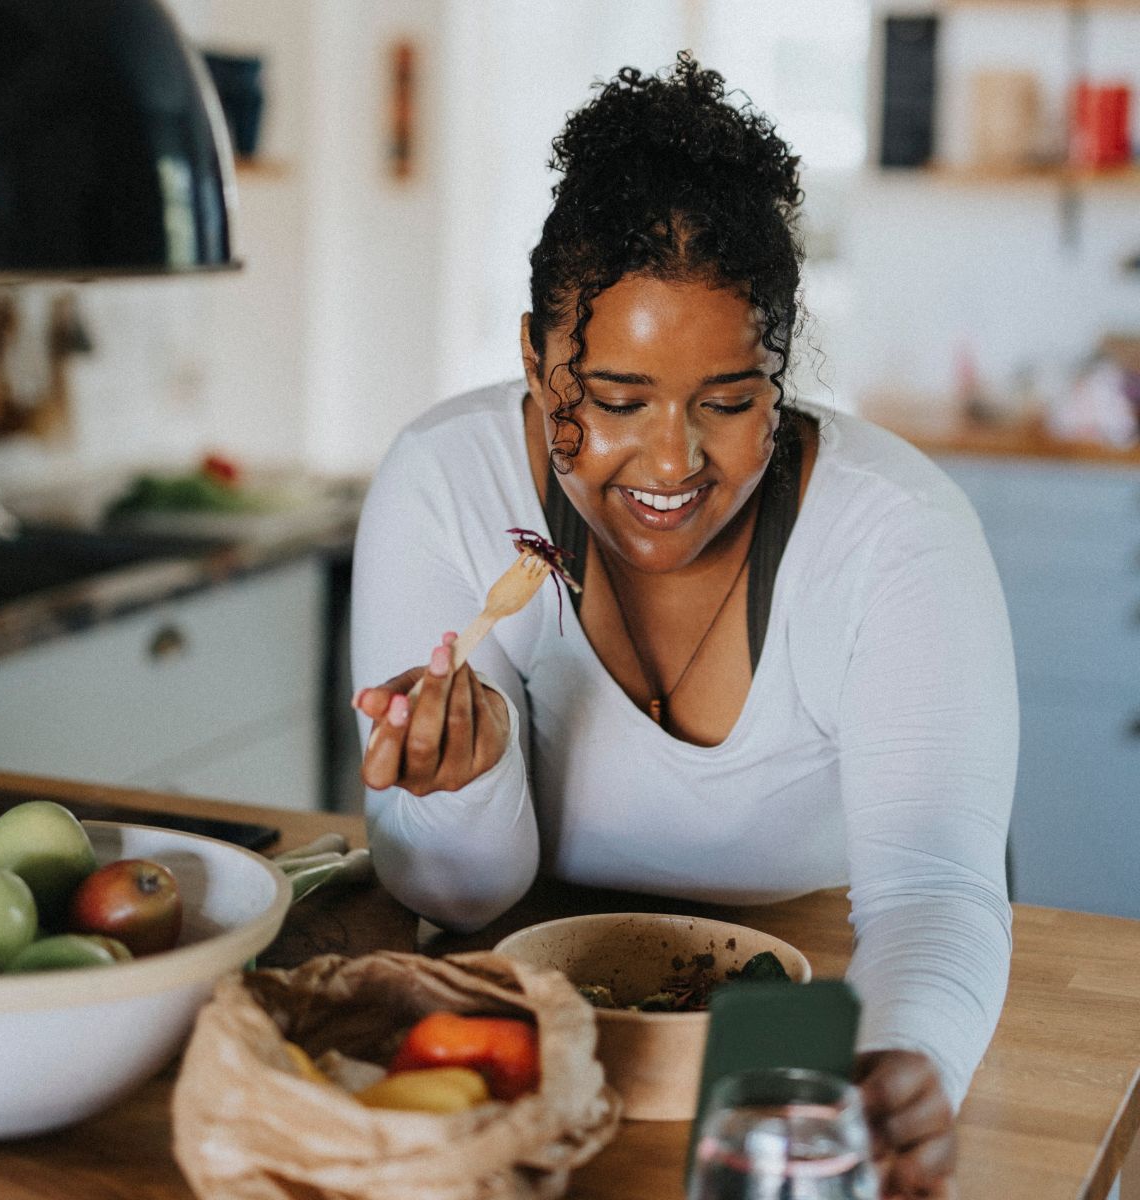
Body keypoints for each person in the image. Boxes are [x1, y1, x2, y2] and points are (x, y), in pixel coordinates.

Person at [351, 54, 1016, 1199]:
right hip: (537, 1034)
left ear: (783, 372)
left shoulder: (897, 536)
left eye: (729, 402)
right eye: (613, 402)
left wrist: (912, 1062)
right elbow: (455, 899)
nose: (671, 465)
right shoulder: (443, 486)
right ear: (533, 356)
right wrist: (461, 779)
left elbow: (931, 894)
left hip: (809, 1014)